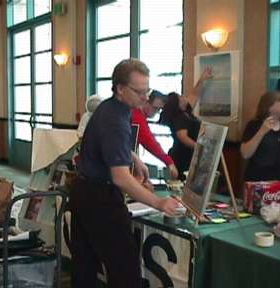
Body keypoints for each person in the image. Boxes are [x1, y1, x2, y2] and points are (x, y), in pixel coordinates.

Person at [70, 58, 179, 288]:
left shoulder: (112, 108)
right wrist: (159, 203)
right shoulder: (115, 119)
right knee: (125, 271)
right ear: (120, 88)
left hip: (83, 191)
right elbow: (121, 178)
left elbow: (108, 142)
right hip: (99, 197)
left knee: (85, 267)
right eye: (139, 91)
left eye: (146, 91)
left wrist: (133, 156)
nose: (145, 98)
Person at [159, 67, 213, 180]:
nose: (184, 97)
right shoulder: (180, 117)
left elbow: (194, 95)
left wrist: (202, 79)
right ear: (177, 104)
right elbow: (182, 137)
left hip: (187, 154)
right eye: (181, 98)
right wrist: (200, 147)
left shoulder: (185, 112)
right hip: (183, 156)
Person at [240, 91, 280, 185]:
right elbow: (245, 154)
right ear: (269, 106)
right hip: (260, 183)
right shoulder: (253, 125)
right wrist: (262, 131)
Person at [132, 89, 179, 179]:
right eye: (155, 108)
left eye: (159, 109)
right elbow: (149, 140)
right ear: (145, 102)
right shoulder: (136, 115)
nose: (156, 112)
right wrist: (169, 162)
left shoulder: (139, 115)